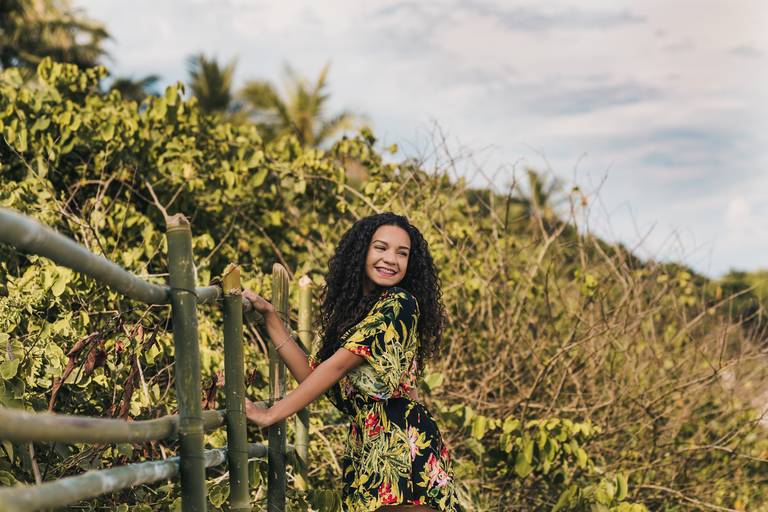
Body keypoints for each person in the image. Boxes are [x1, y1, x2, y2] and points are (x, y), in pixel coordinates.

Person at [242, 212, 463, 512]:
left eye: (402, 253)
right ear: (362, 251)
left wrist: (270, 415)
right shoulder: (356, 315)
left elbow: (336, 367)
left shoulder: (399, 304)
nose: (391, 259)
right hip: (368, 439)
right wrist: (270, 316)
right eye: (381, 247)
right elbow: (314, 376)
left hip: (398, 436)